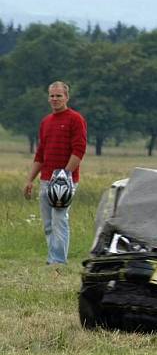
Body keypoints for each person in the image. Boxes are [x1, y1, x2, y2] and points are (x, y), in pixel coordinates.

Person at [23, 81, 87, 266]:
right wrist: (29, 180)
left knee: (60, 219)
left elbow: (79, 150)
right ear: (48, 97)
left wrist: (64, 175)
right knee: (48, 223)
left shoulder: (75, 119)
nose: (55, 99)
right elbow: (40, 154)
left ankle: (58, 262)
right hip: (45, 179)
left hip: (65, 180)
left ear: (66, 97)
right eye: (52, 95)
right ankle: (53, 258)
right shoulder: (46, 121)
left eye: (59, 95)